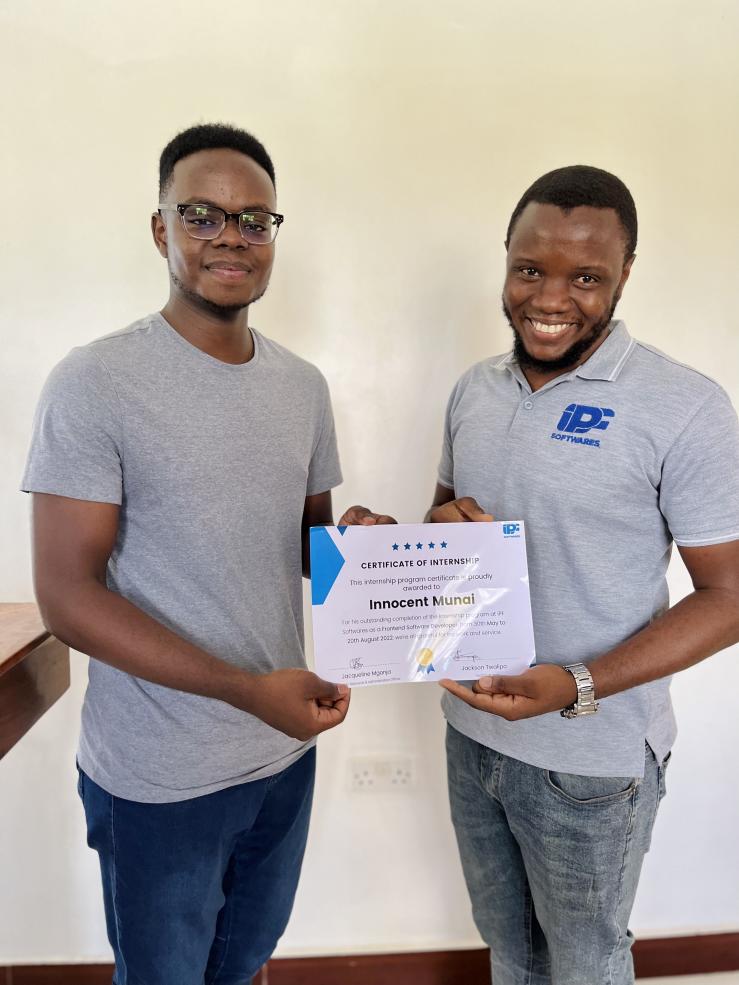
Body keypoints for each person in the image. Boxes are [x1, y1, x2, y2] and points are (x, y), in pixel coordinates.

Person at [22, 122, 392, 985]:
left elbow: (304, 544)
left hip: (281, 753)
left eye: (253, 219)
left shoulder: (302, 385)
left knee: (240, 965)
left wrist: (363, 549)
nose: (231, 234)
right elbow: (67, 598)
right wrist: (240, 690)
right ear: (161, 230)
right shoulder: (95, 381)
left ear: (272, 235)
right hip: (158, 775)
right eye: (202, 214)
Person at [429, 165, 739, 985]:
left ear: (624, 275)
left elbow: (729, 596)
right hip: (471, 735)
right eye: (530, 269)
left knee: (584, 962)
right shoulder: (473, 391)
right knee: (509, 950)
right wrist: (400, 540)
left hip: (589, 757)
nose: (551, 297)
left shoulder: (685, 406)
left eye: (585, 277)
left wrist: (572, 682)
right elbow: (446, 523)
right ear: (504, 260)